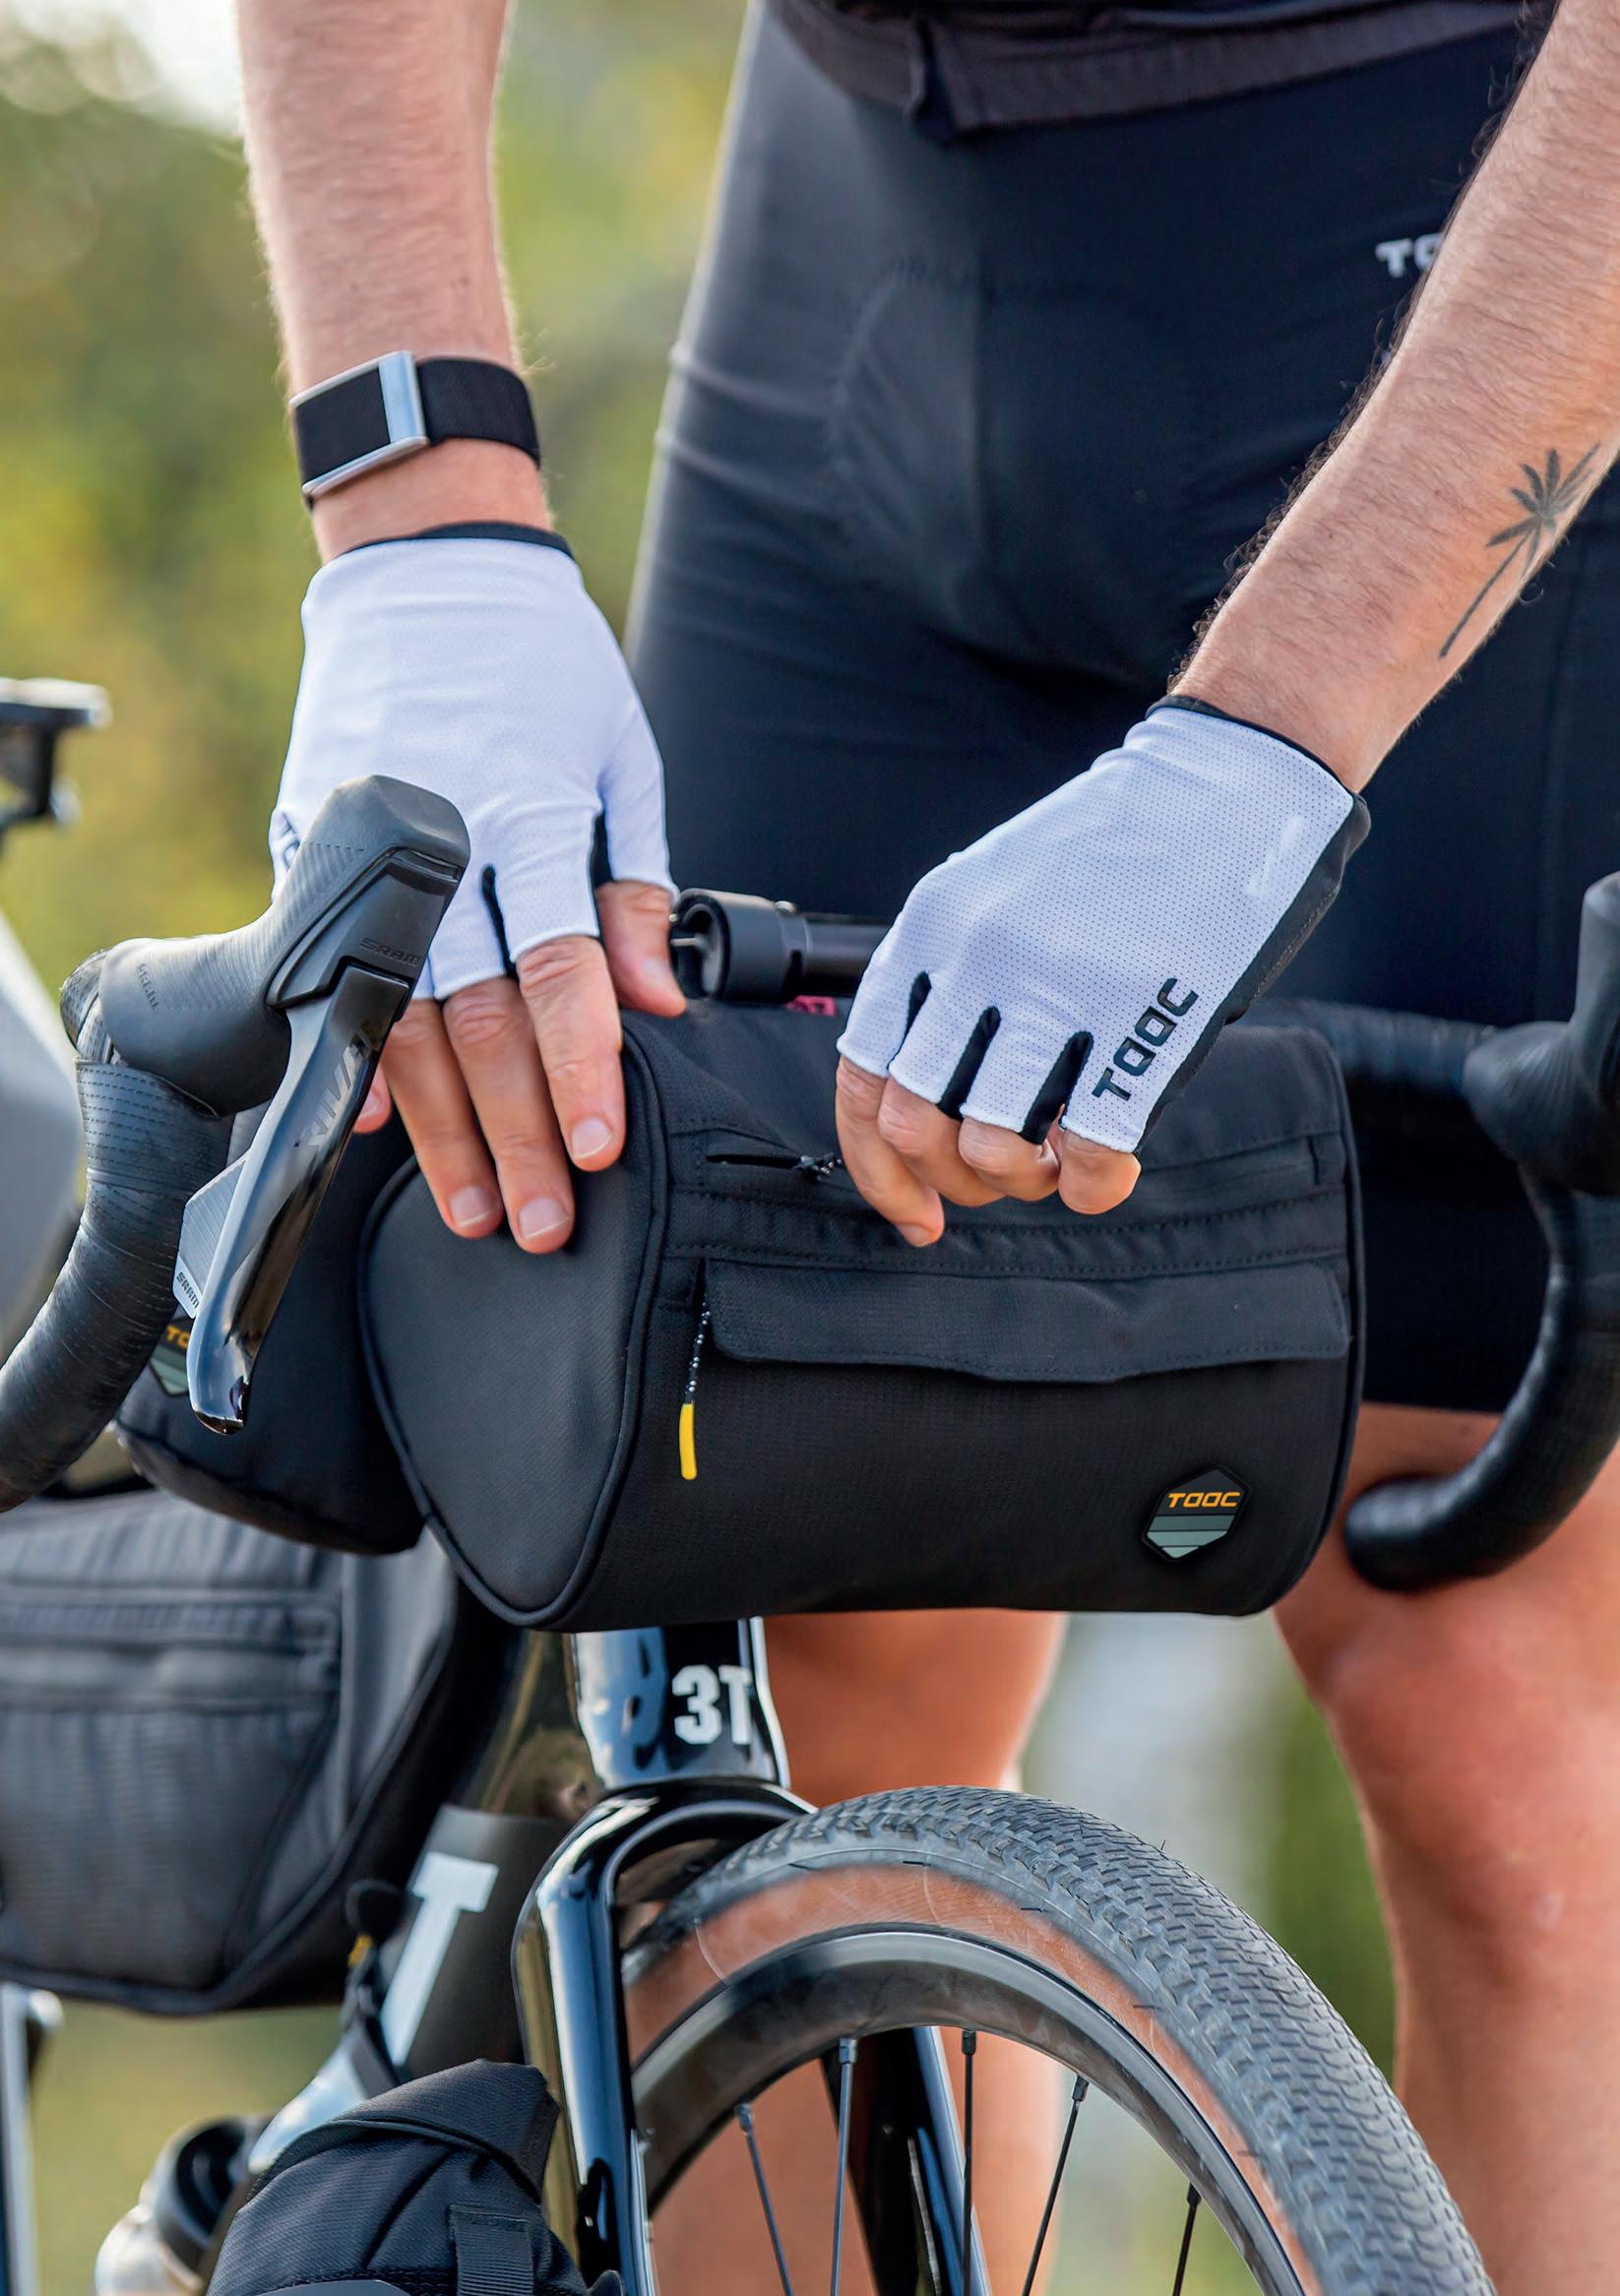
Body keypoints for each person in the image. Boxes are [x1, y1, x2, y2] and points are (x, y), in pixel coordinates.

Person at [239, 0, 1620, 2284]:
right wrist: (415, 514)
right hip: (863, 278)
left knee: (1481, 1688)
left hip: (1479, 237)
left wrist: (1270, 744)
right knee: (795, 1622)